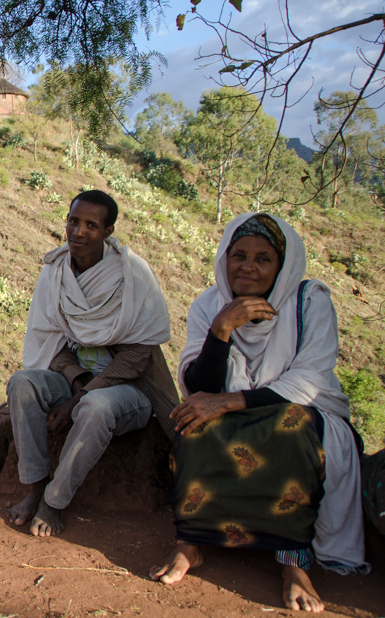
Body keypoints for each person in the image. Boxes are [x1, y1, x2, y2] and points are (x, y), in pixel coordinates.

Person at [149, 213, 369, 613]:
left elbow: (309, 380)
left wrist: (229, 403)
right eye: (239, 255)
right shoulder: (210, 304)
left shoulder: (309, 303)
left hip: (303, 413)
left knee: (291, 428)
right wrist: (221, 329)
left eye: (263, 258)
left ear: (282, 265)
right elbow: (200, 387)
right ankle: (191, 544)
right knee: (192, 422)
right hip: (234, 415)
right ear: (225, 258)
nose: (248, 266)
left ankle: (293, 563)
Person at [7, 190, 177, 537]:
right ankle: (35, 486)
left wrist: (80, 398)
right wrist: (76, 383)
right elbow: (52, 342)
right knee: (22, 383)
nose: (78, 232)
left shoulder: (132, 276)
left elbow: (136, 357)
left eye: (91, 225)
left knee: (96, 406)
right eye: (73, 221)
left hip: (129, 389)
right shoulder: (55, 273)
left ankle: (54, 501)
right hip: (78, 380)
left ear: (108, 231)